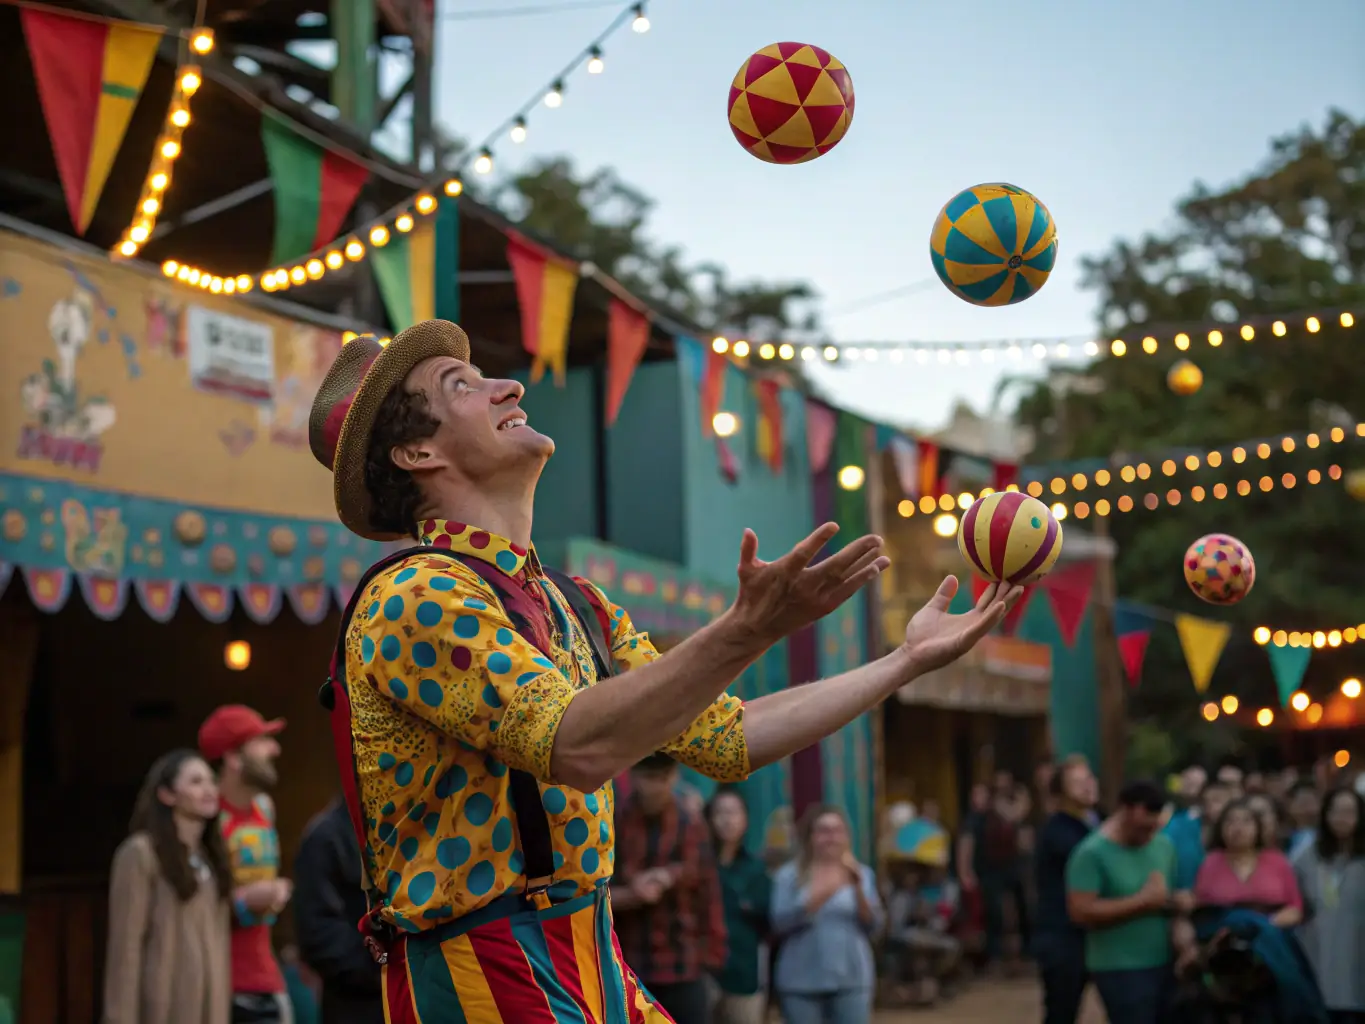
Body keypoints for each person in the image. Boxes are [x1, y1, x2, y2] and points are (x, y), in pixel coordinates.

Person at [305, 321, 1019, 1021]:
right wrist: (747, 630)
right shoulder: (414, 592)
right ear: (416, 450)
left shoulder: (571, 602)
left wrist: (904, 662)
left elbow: (728, 739)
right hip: (477, 970)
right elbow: (574, 746)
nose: (509, 385)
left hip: (592, 955)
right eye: (461, 384)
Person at [102, 750, 233, 1024]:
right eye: (196, 782)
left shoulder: (211, 859)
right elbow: (125, 950)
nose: (209, 790)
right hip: (162, 1008)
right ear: (167, 795)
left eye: (211, 781)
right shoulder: (141, 854)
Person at [1065, 780, 1195, 1024]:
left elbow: (1164, 897)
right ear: (1124, 811)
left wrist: (1178, 903)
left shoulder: (1163, 846)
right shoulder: (1090, 853)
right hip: (1118, 967)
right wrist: (1140, 902)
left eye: (1154, 827)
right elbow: (1080, 911)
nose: (1149, 835)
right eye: (1143, 828)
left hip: (1165, 962)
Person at [612, 753, 726, 1024]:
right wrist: (634, 893)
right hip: (631, 962)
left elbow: (708, 893)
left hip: (684, 962)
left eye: (664, 778)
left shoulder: (690, 824)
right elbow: (599, 890)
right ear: (635, 777)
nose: (657, 786)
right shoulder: (617, 822)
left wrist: (713, 955)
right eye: (650, 778)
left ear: (674, 777)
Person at [199, 705, 292, 1024]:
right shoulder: (205, 822)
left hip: (267, 977)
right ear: (234, 758)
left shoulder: (265, 808)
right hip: (219, 987)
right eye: (262, 740)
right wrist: (244, 900)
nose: (275, 749)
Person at [771, 806, 884, 1024]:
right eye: (823, 831)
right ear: (810, 836)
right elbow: (779, 923)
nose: (831, 837)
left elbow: (874, 927)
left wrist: (858, 888)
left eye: (837, 830)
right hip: (799, 982)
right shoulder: (788, 876)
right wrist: (827, 890)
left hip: (852, 980)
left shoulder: (862, 873)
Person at [294, 797, 383, 1024]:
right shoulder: (327, 837)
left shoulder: (413, 828)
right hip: (357, 1006)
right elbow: (318, 934)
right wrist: (383, 966)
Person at [1033, 757, 1098, 1024]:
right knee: (1062, 1012)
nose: (1087, 787)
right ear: (1060, 793)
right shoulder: (1058, 831)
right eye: (1076, 783)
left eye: (1088, 779)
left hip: (1097, 935)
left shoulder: (1099, 819)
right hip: (1063, 938)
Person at [1294, 787, 1365, 1023]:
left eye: (1348, 812)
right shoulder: (1308, 855)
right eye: (1335, 811)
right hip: (1319, 953)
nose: (1341, 818)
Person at [706, 788, 772, 1024]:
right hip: (702, 974)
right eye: (720, 812)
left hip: (744, 973)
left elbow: (768, 922)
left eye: (734, 813)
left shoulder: (756, 869)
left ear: (745, 820)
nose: (727, 820)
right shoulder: (698, 865)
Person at [1193, 799, 1302, 927]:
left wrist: (1265, 925)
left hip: (1270, 936)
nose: (1238, 828)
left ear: (1258, 828)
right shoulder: (1210, 863)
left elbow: (1295, 909)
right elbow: (1199, 905)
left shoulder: (1277, 861)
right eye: (1230, 822)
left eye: (1246, 822)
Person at [1286, 782, 1322, 861]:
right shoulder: (1282, 837)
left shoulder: (1323, 837)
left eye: (1311, 802)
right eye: (1303, 802)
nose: (1308, 808)